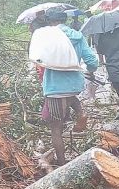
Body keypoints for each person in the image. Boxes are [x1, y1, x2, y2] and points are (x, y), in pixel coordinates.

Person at [40, 9, 98, 166]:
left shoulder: (47, 37)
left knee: (56, 129)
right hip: (74, 84)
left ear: (49, 21)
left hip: (54, 87)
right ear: (64, 20)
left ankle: (62, 163)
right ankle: (80, 111)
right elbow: (91, 60)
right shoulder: (77, 36)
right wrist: (90, 70)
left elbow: (38, 58)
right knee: (69, 96)